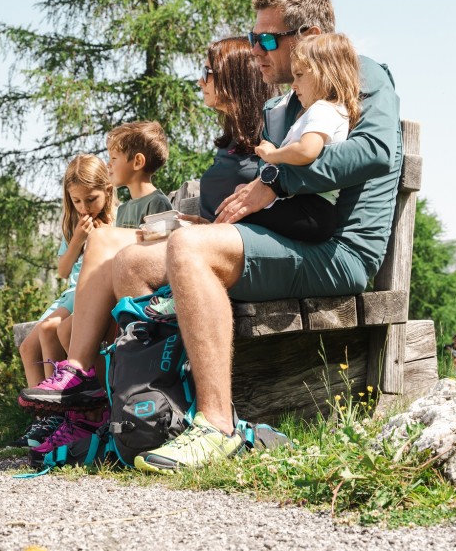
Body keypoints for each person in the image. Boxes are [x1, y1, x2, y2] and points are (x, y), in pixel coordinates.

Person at [23, 0, 402, 473]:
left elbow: (375, 153)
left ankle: (217, 425)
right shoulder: (285, 106)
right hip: (290, 237)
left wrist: (275, 180)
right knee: (131, 257)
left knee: (189, 250)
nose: (256, 50)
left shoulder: (360, 73)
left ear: (309, 34)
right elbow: (260, 188)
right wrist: (222, 211)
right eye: (253, 37)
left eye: (267, 40)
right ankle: (135, 421)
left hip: (336, 251)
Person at [17, 35, 275, 420]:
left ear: (234, 78)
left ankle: (87, 380)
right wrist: (199, 222)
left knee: (112, 247)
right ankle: (85, 380)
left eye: (208, 73)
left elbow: (269, 202)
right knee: (105, 239)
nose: (201, 81)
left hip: (234, 254)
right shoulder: (230, 141)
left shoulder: (269, 132)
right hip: (209, 242)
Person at [12, 153, 116, 448]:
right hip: (70, 292)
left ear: (107, 191)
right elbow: (62, 269)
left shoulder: (115, 222)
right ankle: (42, 421)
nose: (84, 207)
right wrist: (76, 242)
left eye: (90, 199)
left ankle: (60, 414)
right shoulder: (74, 225)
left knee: (49, 330)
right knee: (27, 346)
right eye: (77, 201)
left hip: (90, 291)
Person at [242, 33, 362, 243]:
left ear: (325, 74)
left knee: (241, 214)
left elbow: (307, 151)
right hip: (311, 211)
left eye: (299, 75)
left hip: (309, 210)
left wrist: (272, 154)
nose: (293, 84)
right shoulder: (326, 110)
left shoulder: (323, 108)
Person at [107, 121, 173, 229]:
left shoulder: (157, 203)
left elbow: (158, 244)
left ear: (138, 162)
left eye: (113, 158)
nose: (108, 164)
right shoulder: (122, 209)